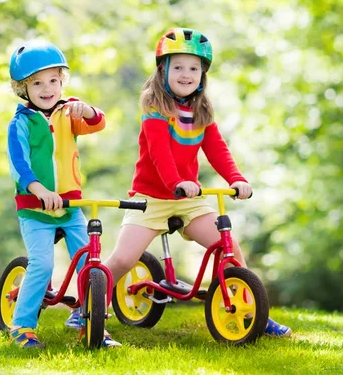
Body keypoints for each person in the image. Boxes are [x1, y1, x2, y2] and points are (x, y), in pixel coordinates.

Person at [103, 28, 291, 338]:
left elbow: (218, 150)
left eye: (194, 68)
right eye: (178, 67)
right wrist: (178, 181)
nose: (186, 74)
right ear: (162, 70)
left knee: (229, 249)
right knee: (123, 258)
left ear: (203, 74)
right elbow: (160, 153)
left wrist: (237, 179)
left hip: (188, 198)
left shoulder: (201, 111)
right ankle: (84, 306)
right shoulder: (155, 109)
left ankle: (253, 312)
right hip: (151, 197)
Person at [7, 39, 120, 348]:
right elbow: (19, 166)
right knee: (42, 264)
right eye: (38, 83)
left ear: (62, 82)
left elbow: (97, 124)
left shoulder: (68, 113)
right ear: (23, 89)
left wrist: (88, 110)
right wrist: (40, 190)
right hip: (35, 209)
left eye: (54, 81)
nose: (48, 88)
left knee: (89, 260)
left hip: (71, 207)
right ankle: (22, 326)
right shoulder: (21, 123)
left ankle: (91, 324)